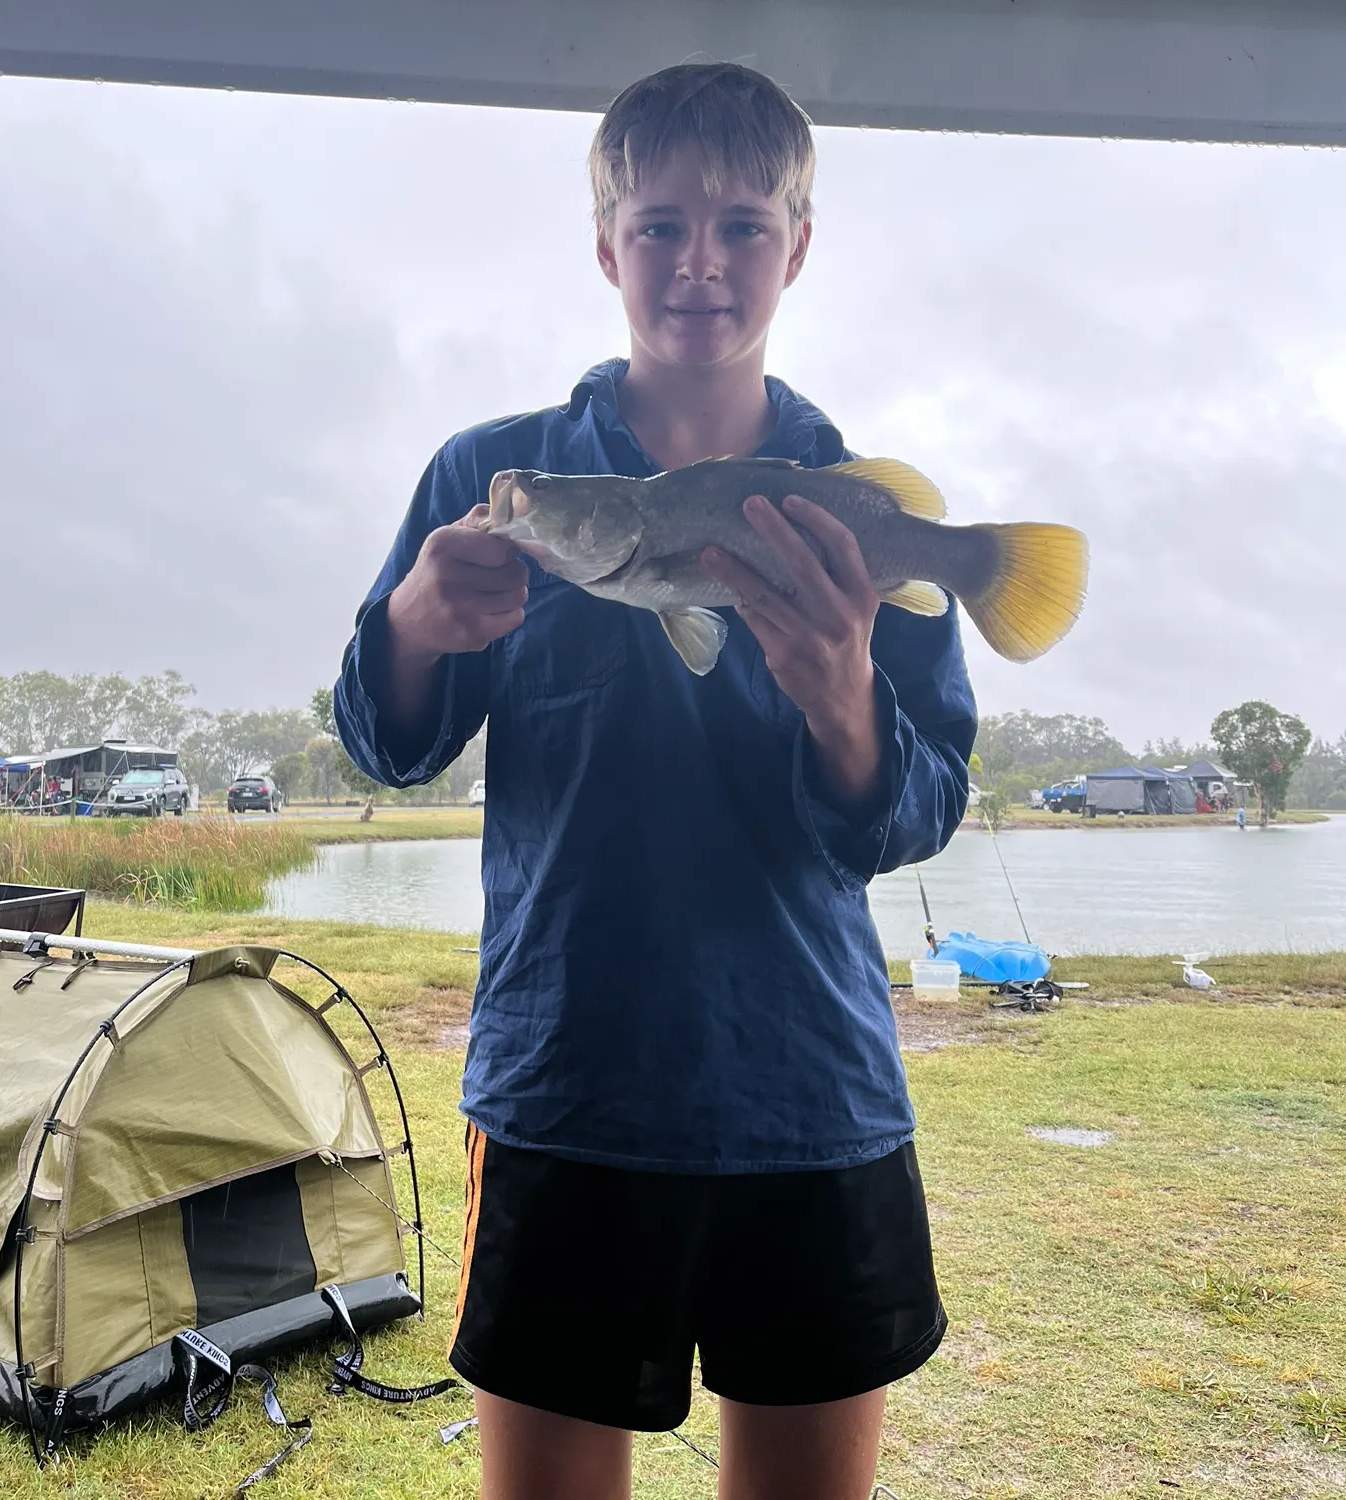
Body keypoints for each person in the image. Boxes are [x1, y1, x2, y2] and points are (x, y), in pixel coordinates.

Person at [334, 61, 977, 1500]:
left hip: (811, 1091)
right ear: (605, 242)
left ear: (797, 248)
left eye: (745, 225)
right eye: (661, 223)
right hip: (569, 1089)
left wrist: (842, 699)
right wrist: (410, 630)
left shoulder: (853, 506)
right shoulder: (494, 477)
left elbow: (919, 808)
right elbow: (389, 743)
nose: (701, 261)